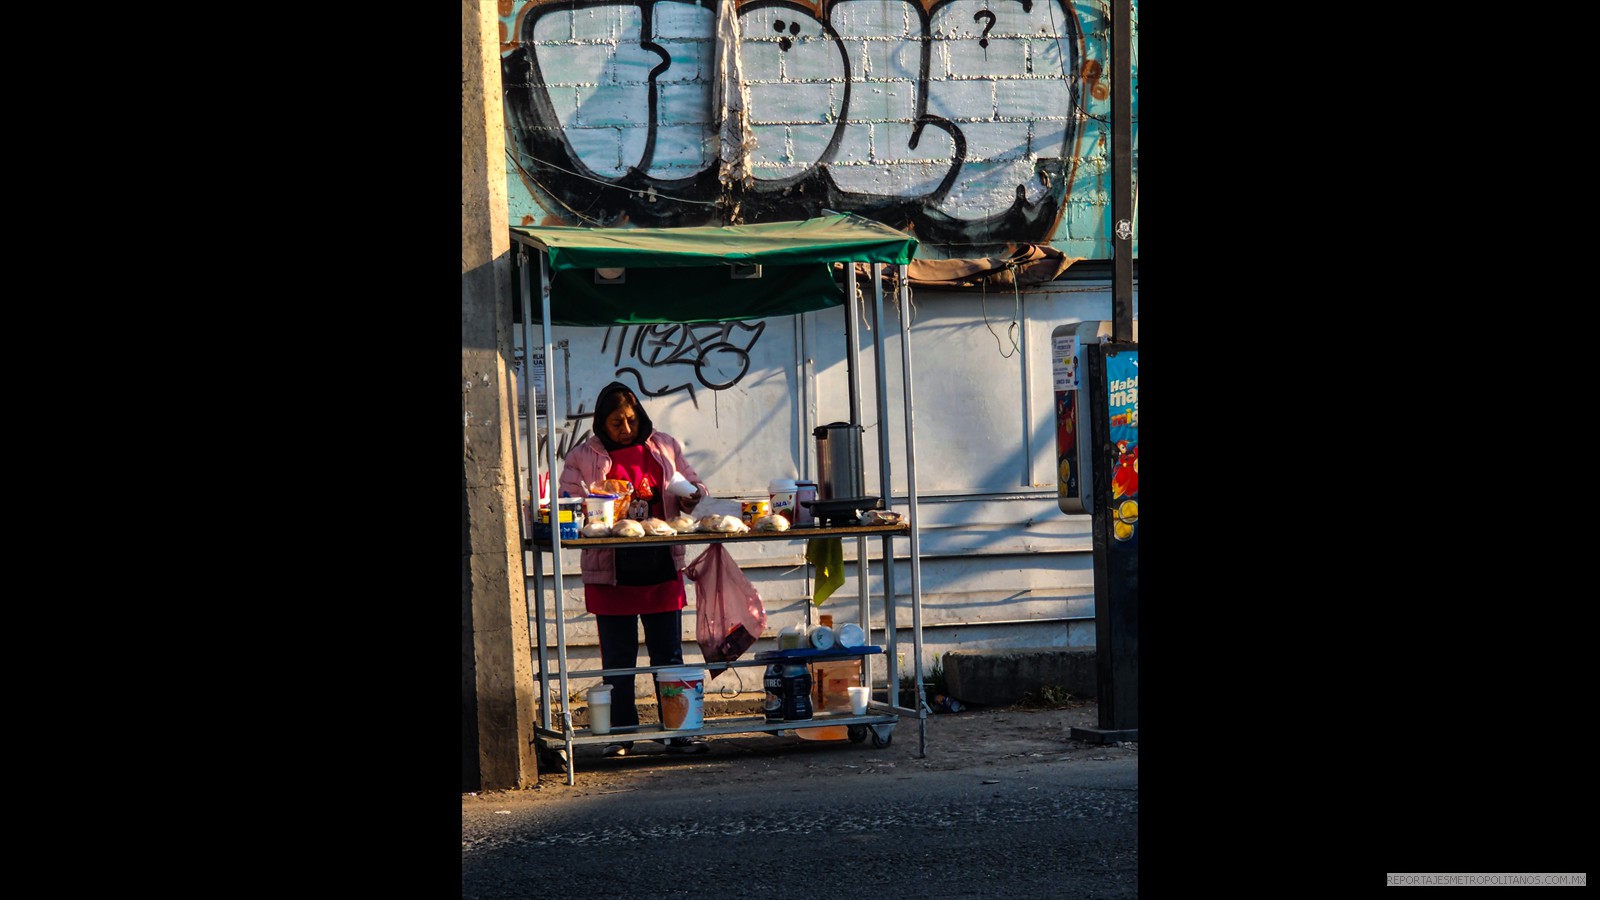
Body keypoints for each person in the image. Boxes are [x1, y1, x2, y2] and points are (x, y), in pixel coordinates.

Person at [558, 382, 711, 757]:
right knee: (617, 660)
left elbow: (696, 486)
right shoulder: (583, 456)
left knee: (668, 655)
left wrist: (693, 495)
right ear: (601, 423)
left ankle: (677, 731)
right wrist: (590, 504)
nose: (625, 429)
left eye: (629, 420)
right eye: (615, 423)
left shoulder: (664, 446)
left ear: (639, 416)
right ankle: (622, 735)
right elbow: (566, 500)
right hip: (610, 572)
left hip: (662, 566)